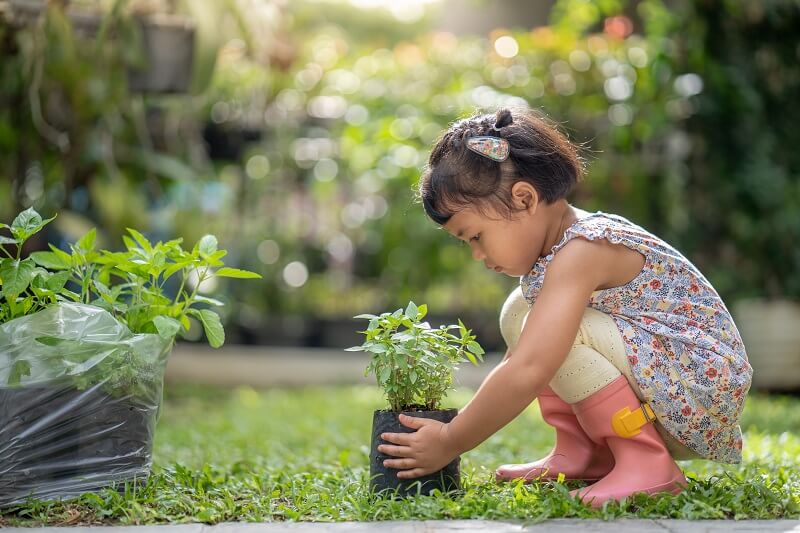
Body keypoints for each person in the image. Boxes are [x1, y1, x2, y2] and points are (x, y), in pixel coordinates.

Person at [377, 107, 752, 507]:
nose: (477, 255)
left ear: (524, 199)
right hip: (667, 381)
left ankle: (647, 463)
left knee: (556, 334)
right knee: (520, 309)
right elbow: (524, 357)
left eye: (475, 236)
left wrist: (451, 439)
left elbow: (531, 367)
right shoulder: (562, 252)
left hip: (698, 386)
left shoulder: (583, 249)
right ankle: (585, 453)